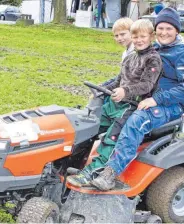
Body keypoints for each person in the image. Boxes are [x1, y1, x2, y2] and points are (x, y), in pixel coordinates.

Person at [90, 8, 184, 191]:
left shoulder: (183, 55)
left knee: (136, 121)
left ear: (177, 31)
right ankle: (83, 158)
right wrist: (104, 87)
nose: (164, 33)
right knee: (100, 112)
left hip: (171, 106)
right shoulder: (152, 50)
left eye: (169, 29)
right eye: (161, 28)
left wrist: (157, 100)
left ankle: (110, 172)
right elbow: (128, 75)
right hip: (142, 98)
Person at [67, 19, 162, 187]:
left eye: (142, 36)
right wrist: (100, 89)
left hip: (131, 106)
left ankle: (92, 173)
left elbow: (147, 85)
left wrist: (126, 91)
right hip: (114, 103)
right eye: (135, 36)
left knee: (111, 138)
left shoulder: (153, 60)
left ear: (151, 37)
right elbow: (118, 82)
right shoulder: (130, 58)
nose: (139, 40)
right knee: (88, 125)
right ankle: (72, 162)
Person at [101, 18, 134, 87]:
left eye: (122, 34)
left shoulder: (135, 52)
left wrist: (108, 87)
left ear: (132, 33)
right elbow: (122, 75)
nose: (119, 38)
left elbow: (129, 78)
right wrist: (105, 84)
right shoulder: (125, 53)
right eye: (116, 36)